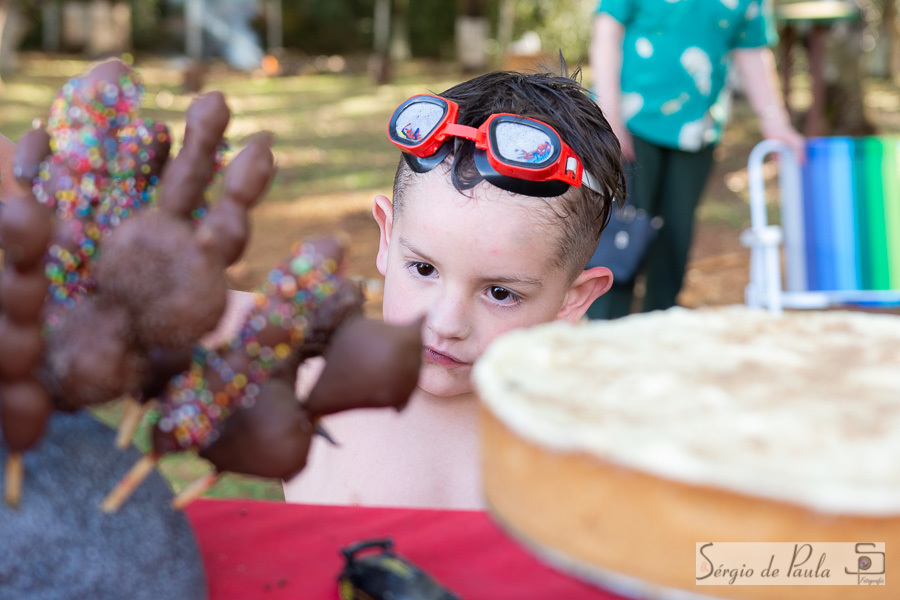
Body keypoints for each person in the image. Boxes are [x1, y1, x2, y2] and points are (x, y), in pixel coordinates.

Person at [281, 69, 626, 508]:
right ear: (388, 239)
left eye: (500, 293)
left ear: (572, 299)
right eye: (423, 268)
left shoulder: (598, 443)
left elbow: (724, 566)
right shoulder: (301, 369)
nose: (445, 323)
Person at [587, 0, 805, 319]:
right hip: (631, 124)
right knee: (621, 237)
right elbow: (607, 31)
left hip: (696, 130)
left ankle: (659, 332)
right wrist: (608, 115)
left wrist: (776, 124)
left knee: (675, 239)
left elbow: (751, 47)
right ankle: (602, 335)